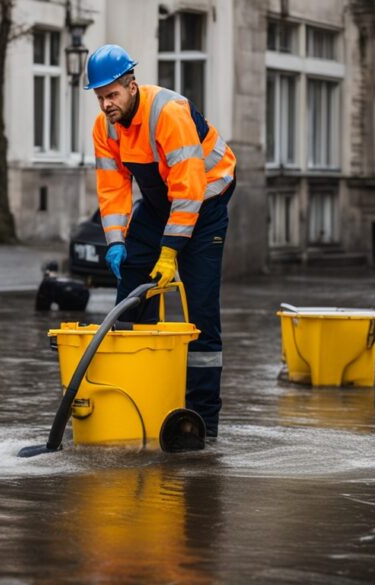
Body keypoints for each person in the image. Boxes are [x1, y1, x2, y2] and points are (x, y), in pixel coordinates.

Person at [86, 45, 237, 438]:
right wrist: (116, 242)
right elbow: (112, 187)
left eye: (112, 95)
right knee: (132, 292)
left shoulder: (168, 112)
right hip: (159, 203)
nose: (106, 105)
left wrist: (170, 252)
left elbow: (190, 189)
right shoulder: (106, 128)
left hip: (205, 202)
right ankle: (139, 398)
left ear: (131, 86)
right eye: (100, 97)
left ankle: (203, 421)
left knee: (200, 311)